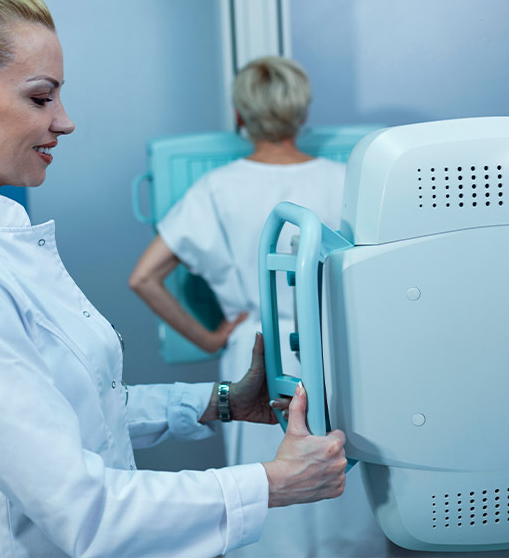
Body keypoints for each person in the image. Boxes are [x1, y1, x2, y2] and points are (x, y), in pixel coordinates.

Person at [0, 0, 350, 558]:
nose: (64, 119)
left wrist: (223, 401)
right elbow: (83, 513)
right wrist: (272, 483)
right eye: (40, 96)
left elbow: (79, 410)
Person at [130, 56, 389, 557]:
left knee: (270, 495)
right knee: (345, 481)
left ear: (240, 116)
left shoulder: (216, 188)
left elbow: (144, 277)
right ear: (301, 111)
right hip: (340, 352)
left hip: (258, 354)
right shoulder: (349, 181)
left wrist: (210, 338)